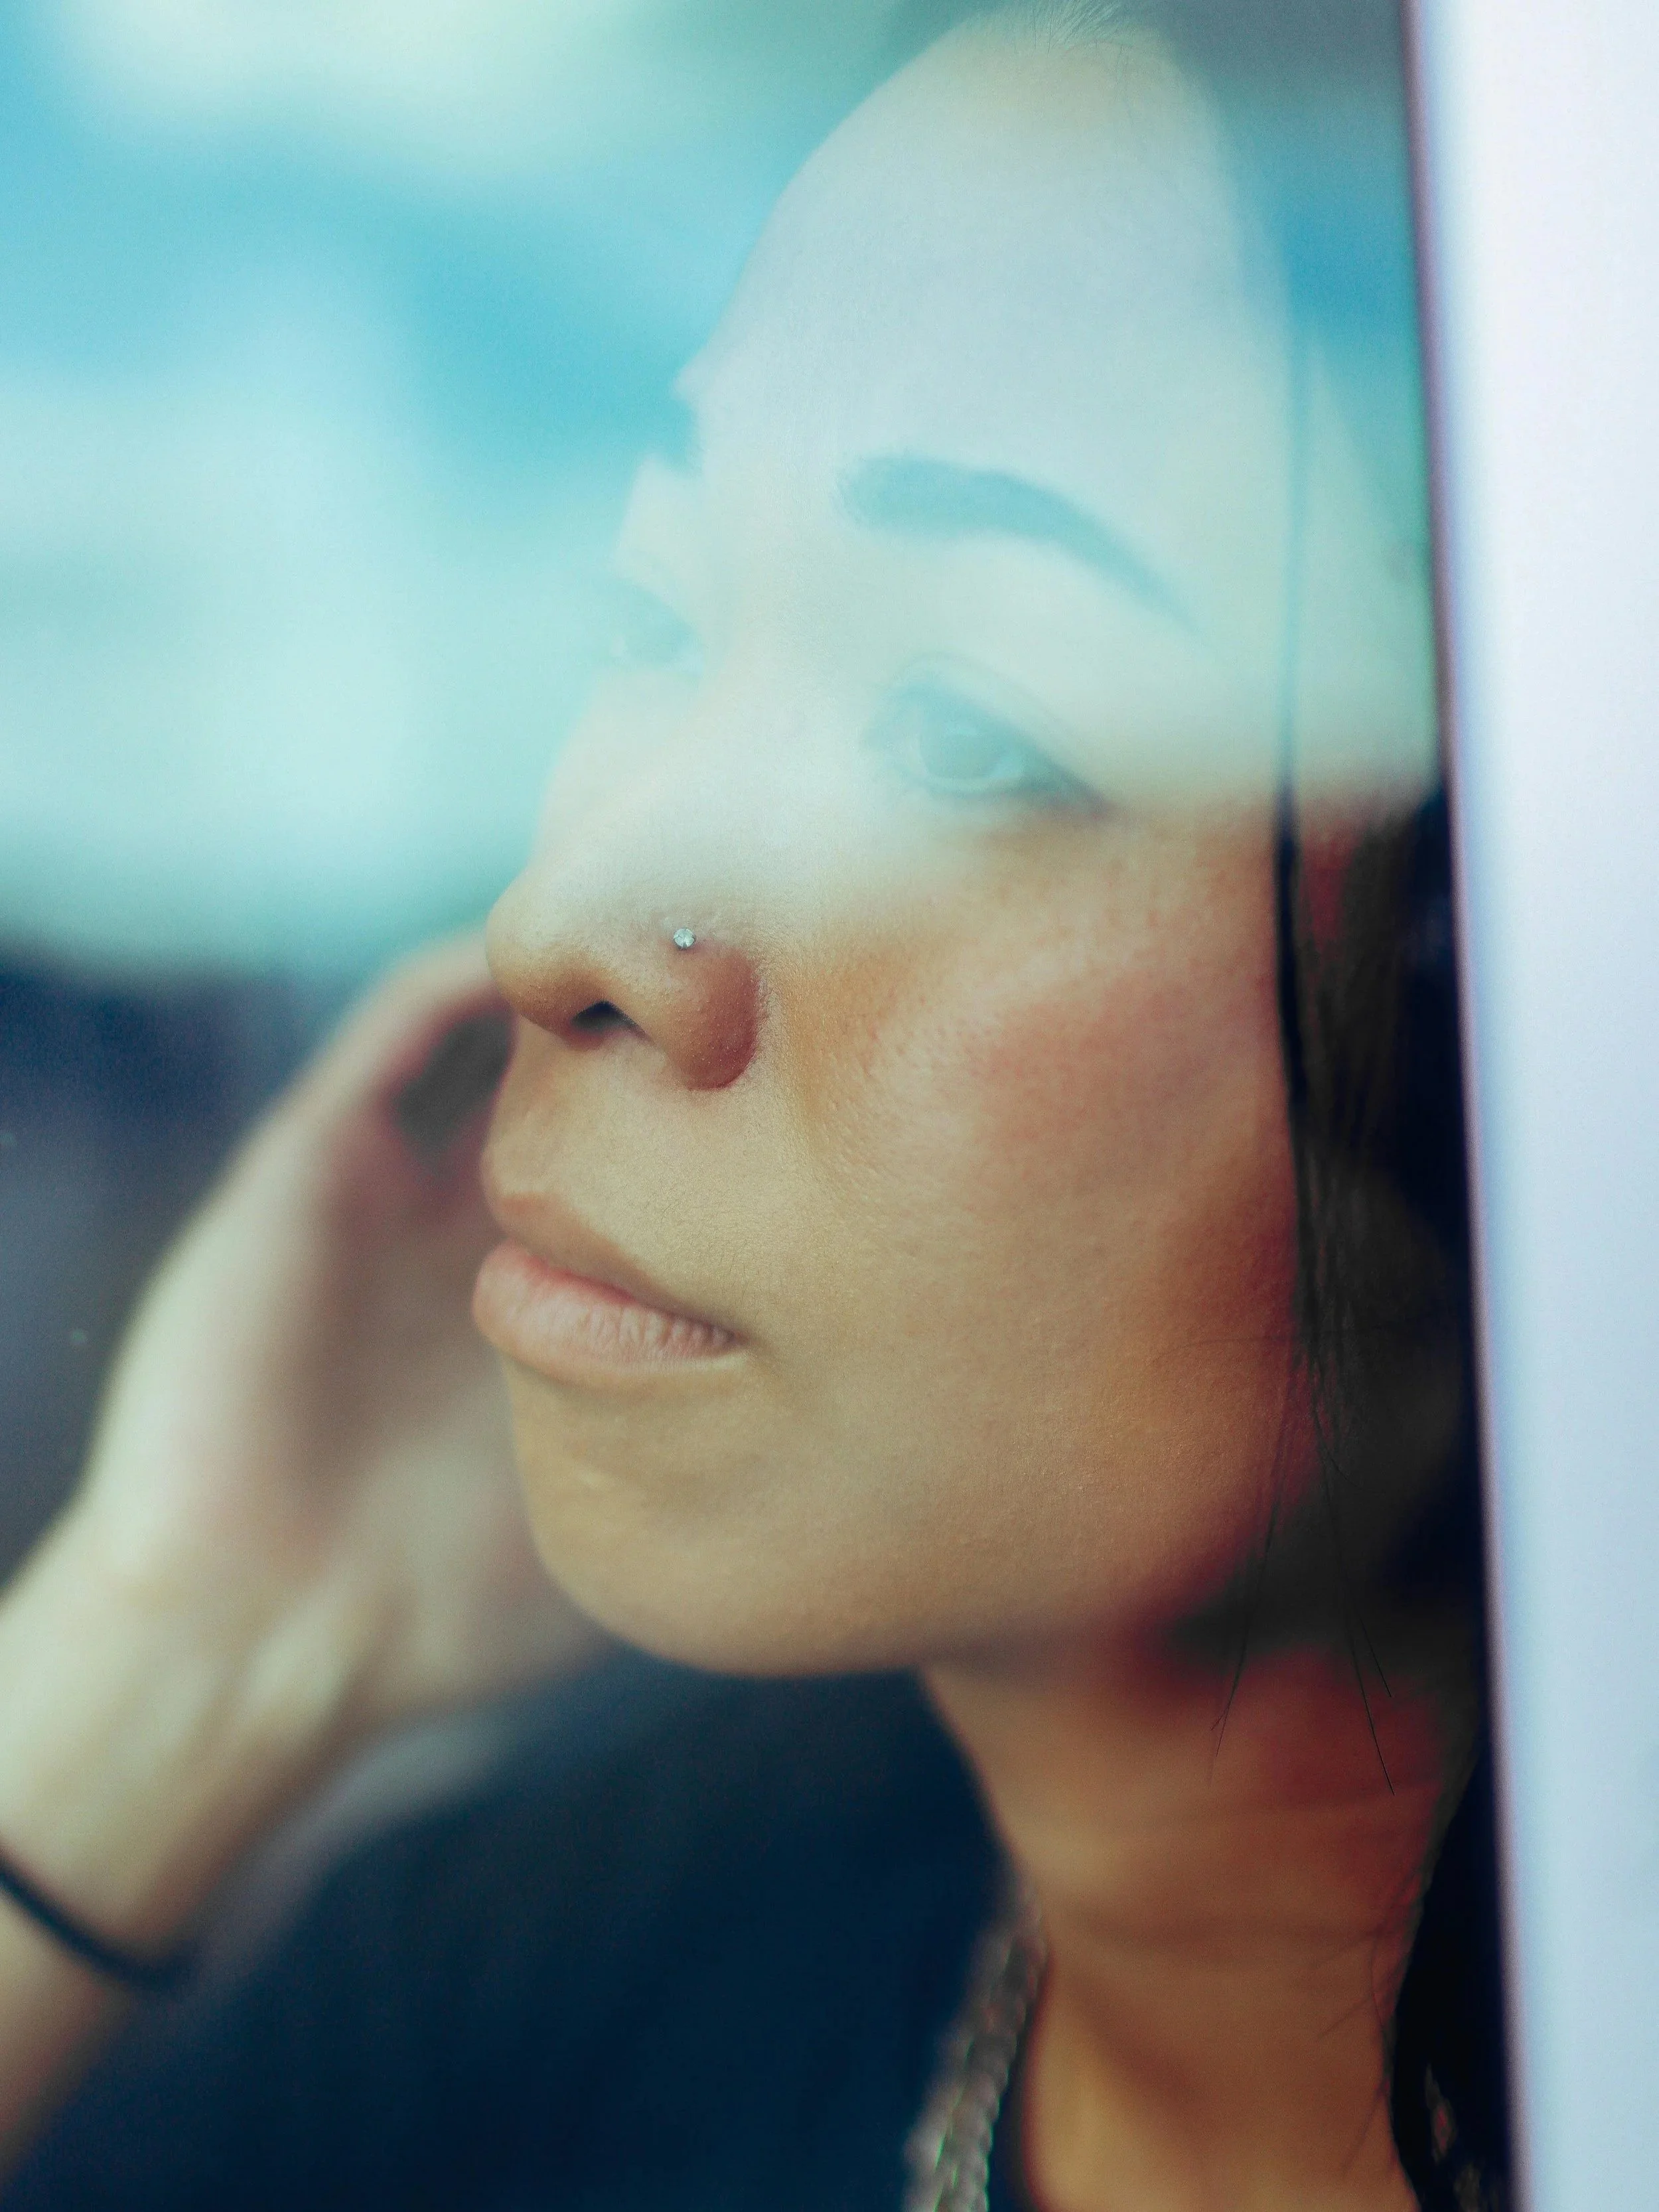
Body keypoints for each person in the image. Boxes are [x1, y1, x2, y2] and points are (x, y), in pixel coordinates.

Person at [0, 1, 1506, 2205]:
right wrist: (195, 1643)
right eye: (649, 606)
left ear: (1489, 971)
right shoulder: (585, 1970)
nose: (556, 916)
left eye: (968, 742)